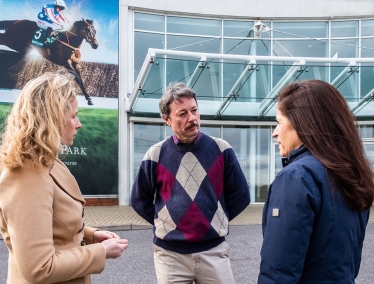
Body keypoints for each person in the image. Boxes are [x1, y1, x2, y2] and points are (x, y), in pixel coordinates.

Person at [0, 72, 128, 284]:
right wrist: (100, 251)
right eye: (73, 116)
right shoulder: (26, 174)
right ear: (52, 118)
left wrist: (90, 236)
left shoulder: (46, 163)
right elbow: (39, 267)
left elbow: (48, 226)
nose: (78, 124)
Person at [130, 82, 251, 284]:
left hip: (214, 251)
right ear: (167, 119)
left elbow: (240, 195)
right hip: (170, 255)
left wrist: (216, 218)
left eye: (194, 110)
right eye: (182, 113)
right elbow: (138, 199)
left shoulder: (221, 149)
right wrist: (167, 223)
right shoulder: (156, 154)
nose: (192, 118)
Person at [258, 80, 374, 283]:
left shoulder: (296, 177)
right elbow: (351, 264)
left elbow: (278, 273)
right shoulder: (354, 176)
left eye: (279, 122)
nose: (275, 132)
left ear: (300, 123)